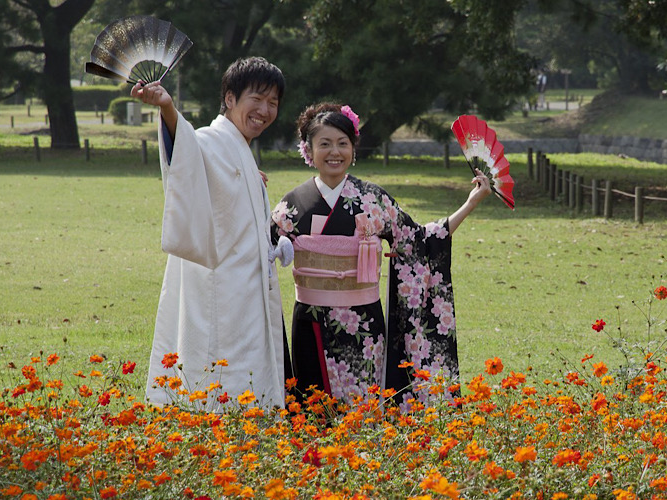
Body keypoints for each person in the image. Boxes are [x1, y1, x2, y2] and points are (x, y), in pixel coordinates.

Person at [271, 103, 491, 408]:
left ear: (353, 148)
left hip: (364, 325)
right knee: (314, 411)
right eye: (324, 144)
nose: (334, 152)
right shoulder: (292, 204)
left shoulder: (374, 200)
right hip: (311, 324)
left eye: (342, 143)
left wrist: (470, 204)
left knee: (365, 410)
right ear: (308, 149)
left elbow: (419, 239)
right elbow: (258, 248)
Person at [131, 57, 291, 411]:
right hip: (220, 285)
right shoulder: (210, 140)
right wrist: (169, 109)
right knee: (218, 371)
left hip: (248, 285)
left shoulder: (238, 149)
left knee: (246, 372)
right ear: (230, 98)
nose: (264, 111)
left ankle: (247, 423)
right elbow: (186, 150)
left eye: (273, 103)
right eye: (257, 99)